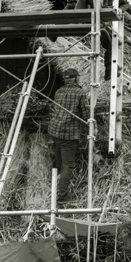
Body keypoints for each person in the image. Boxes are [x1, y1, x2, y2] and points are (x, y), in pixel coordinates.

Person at [48, 68, 89, 204]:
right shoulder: (80, 93)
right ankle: (62, 196)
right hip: (68, 133)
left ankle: (55, 184)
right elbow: (86, 115)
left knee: (59, 161)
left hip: (55, 131)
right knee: (68, 165)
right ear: (76, 78)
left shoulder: (58, 92)